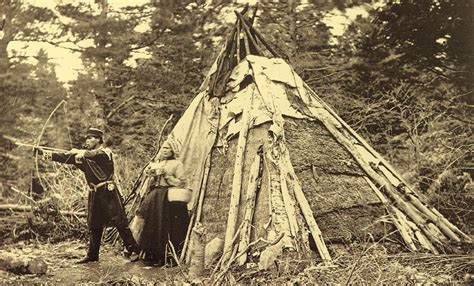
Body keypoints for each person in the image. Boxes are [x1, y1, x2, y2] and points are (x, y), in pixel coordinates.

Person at [35, 127, 140, 264]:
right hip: (94, 193)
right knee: (94, 224)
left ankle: (134, 250)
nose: (88, 140)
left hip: (108, 192)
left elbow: (95, 155)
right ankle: (92, 255)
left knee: (119, 221)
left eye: (91, 138)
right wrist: (44, 153)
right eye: (87, 138)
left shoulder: (105, 153)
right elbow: (64, 157)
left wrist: (80, 152)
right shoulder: (84, 156)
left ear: (99, 139)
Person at [135, 137, 189, 266]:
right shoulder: (157, 162)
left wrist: (166, 175)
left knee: (165, 225)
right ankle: (150, 254)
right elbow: (152, 182)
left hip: (168, 197)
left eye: (167, 148)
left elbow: (181, 183)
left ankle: (164, 257)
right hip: (156, 195)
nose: (164, 150)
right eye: (163, 148)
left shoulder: (177, 164)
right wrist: (151, 174)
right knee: (151, 223)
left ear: (172, 150)